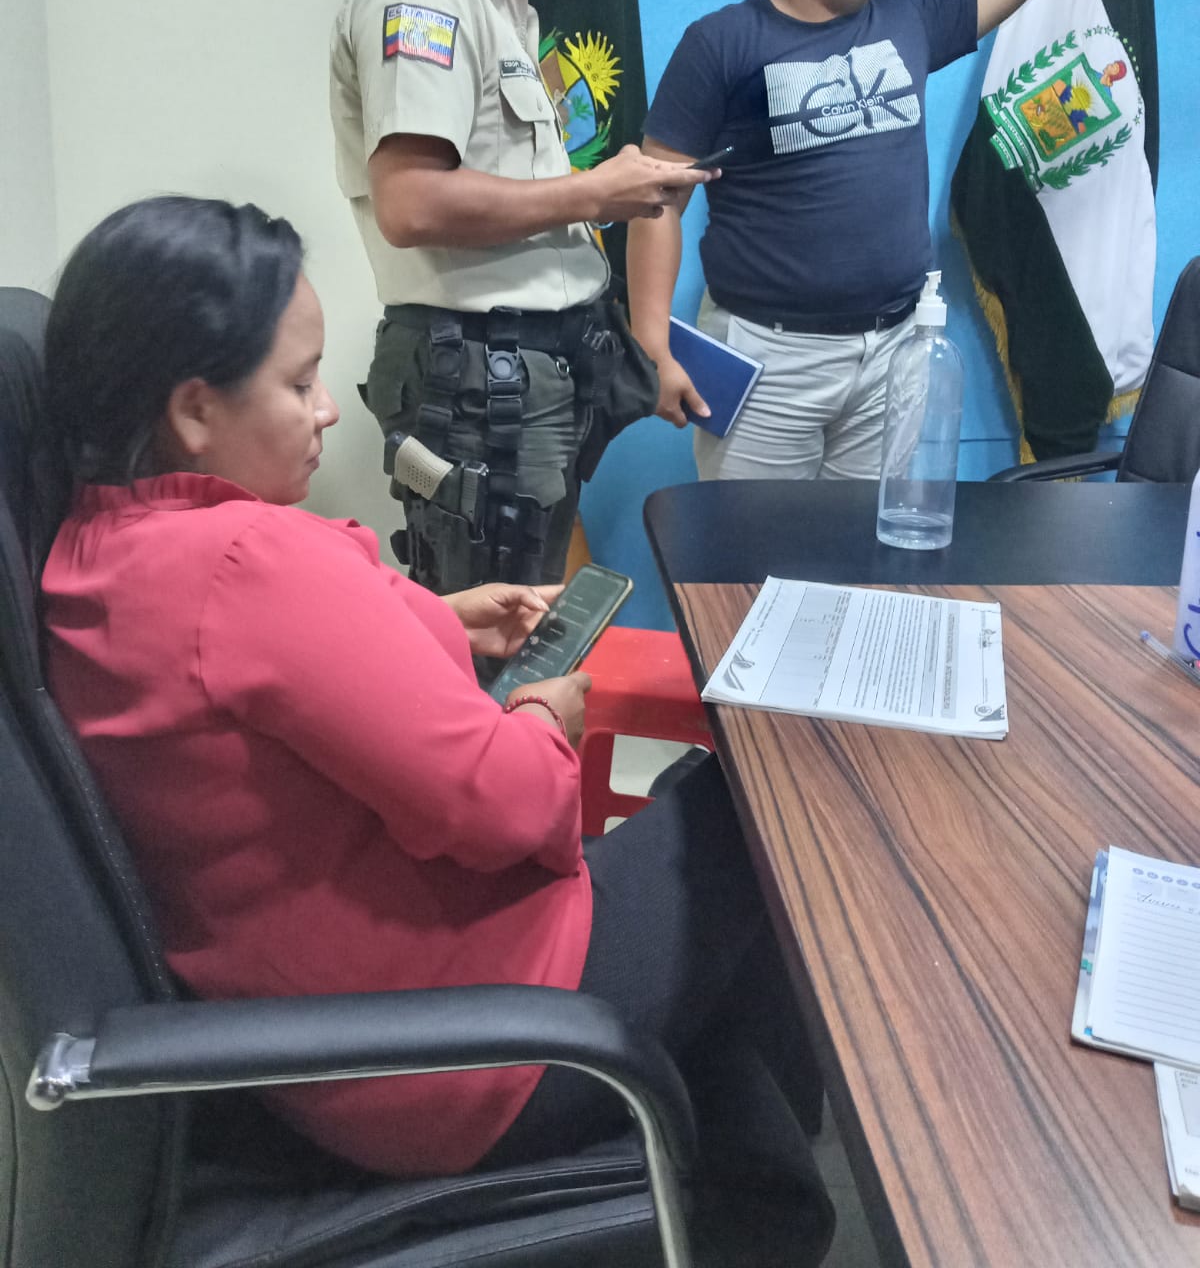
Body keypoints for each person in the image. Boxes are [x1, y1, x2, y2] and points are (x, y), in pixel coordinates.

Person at [38, 196, 832, 1259]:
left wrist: (434, 621)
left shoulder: (100, 553)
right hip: (469, 1046)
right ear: (192, 409)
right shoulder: (245, 565)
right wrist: (545, 711)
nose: (329, 410)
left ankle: (760, 1183)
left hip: (326, 1041)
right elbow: (517, 805)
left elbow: (257, 693)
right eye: (299, 384)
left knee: (720, 884)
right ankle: (783, 1190)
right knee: (761, 790)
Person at [627, 0, 1200, 482]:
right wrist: (652, 342)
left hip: (893, 353)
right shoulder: (722, 42)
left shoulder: (914, 16)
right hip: (768, 360)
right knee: (749, 545)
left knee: (860, 542)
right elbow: (655, 199)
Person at [330, 0, 712, 592]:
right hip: (478, 380)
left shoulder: (499, 1)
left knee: (525, 615)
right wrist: (593, 195)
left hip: (523, 372)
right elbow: (411, 202)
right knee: (496, 628)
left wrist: (611, 191)